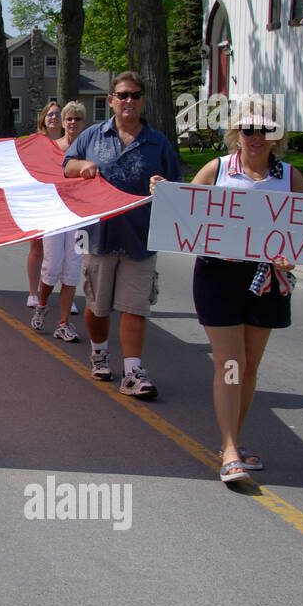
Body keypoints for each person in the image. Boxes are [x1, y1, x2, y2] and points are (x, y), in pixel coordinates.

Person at [187, 96, 303, 483]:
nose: (256, 136)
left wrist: (292, 256)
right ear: (236, 133)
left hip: (268, 279)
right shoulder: (216, 169)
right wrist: (163, 192)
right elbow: (184, 214)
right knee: (230, 363)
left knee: (249, 366)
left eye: (265, 129)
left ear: (276, 135)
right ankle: (231, 451)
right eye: (248, 129)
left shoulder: (290, 178)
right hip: (218, 275)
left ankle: (231, 443)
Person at [63, 72, 184, 398]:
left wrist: (164, 186)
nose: (129, 101)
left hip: (140, 238)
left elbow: (178, 186)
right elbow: (66, 166)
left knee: (135, 307)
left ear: (143, 100)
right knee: (97, 306)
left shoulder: (157, 142)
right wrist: (83, 165)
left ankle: (133, 371)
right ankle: (99, 352)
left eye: (135, 95)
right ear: (111, 100)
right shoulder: (92, 136)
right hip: (99, 235)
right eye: (122, 95)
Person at [31, 101, 88, 340]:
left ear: (83, 123)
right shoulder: (53, 148)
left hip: (82, 218)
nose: (72, 123)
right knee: (52, 266)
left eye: (77, 119)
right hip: (55, 215)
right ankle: (42, 304)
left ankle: (63, 322)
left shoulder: (90, 149)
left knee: (73, 269)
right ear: (63, 122)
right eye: (69, 119)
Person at [26, 100, 64, 307]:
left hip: (65, 202)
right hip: (41, 200)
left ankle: (65, 293)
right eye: (50, 114)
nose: (54, 118)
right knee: (37, 248)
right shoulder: (34, 141)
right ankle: (33, 293)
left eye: (58, 114)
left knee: (65, 252)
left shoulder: (71, 142)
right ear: (43, 118)